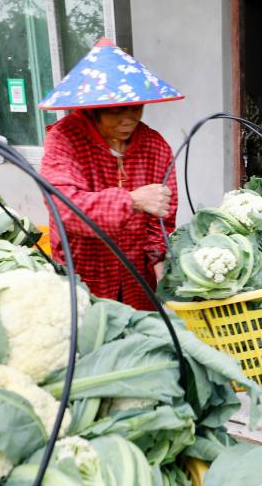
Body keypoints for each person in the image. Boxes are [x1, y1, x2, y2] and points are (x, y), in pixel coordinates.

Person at [38, 38, 184, 311]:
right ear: (93, 108)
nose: (128, 120)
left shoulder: (155, 147)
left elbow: (161, 221)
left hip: (137, 282)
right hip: (84, 277)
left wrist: (162, 273)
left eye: (136, 108)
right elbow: (64, 207)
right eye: (117, 110)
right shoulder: (65, 140)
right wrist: (131, 201)